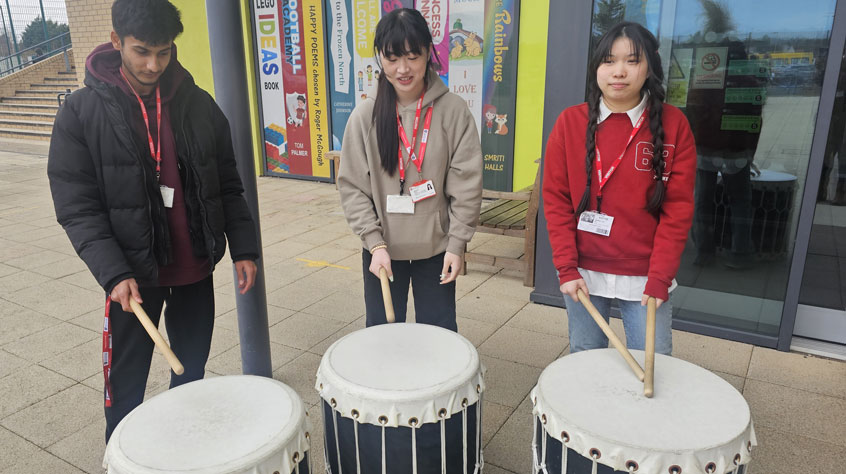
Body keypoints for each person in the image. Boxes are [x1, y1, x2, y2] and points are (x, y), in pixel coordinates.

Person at [47, 0, 259, 441]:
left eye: (163, 52)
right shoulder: (81, 113)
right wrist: (114, 273)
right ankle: (123, 460)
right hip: (132, 279)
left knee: (191, 372)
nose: (153, 64)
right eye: (142, 51)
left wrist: (244, 249)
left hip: (195, 268)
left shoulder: (199, 104)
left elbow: (228, 184)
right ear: (115, 42)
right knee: (124, 389)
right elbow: (76, 206)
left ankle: (184, 453)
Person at [542, 22, 696, 355]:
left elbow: (678, 210)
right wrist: (566, 267)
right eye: (609, 61)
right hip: (582, 271)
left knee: (652, 366)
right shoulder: (570, 123)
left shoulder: (674, 125)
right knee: (585, 359)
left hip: (645, 277)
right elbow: (556, 201)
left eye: (632, 60)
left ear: (649, 67)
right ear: (596, 67)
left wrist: (660, 277)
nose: (619, 72)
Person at [338, 8, 482, 331]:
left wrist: (457, 244)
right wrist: (374, 243)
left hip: (437, 249)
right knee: (383, 335)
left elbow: (467, 185)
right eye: (392, 58)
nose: (403, 69)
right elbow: (352, 188)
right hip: (383, 251)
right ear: (379, 58)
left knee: (440, 334)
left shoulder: (453, 112)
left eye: (412, 57)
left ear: (428, 53)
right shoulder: (365, 117)